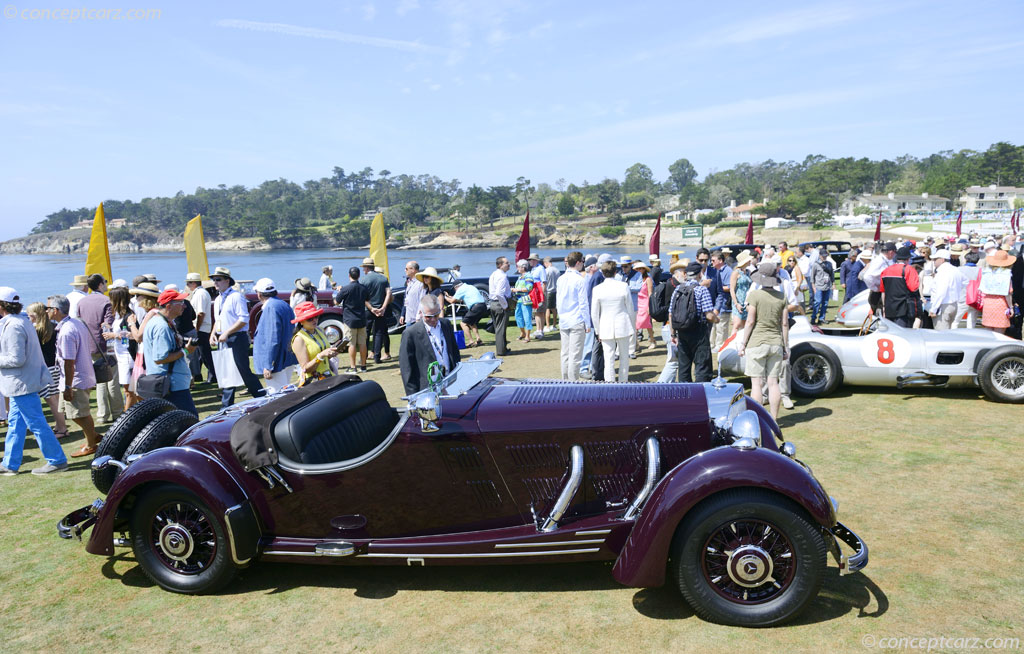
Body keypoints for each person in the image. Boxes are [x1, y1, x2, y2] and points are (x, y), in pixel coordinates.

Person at [0, 288, 69, 476]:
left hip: (22, 383)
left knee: (36, 423)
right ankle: (10, 463)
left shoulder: (14, 325)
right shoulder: (21, 320)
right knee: (16, 423)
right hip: (21, 382)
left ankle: (57, 459)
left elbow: (16, 359)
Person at [47, 294, 102, 457]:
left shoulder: (66, 331)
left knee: (79, 414)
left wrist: (68, 387)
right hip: (83, 375)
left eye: (48, 308)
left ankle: (92, 442)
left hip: (75, 379)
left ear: (55, 310)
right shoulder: (76, 323)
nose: (46, 311)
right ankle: (92, 437)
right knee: (79, 413)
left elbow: (68, 362)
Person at [738, 264, 789, 420]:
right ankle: (774, 419)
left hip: (757, 342)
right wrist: (786, 347)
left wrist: (743, 343)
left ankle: (758, 419)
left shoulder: (755, 295)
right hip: (776, 343)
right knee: (773, 383)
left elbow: (750, 321)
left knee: (756, 384)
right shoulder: (782, 297)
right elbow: (785, 324)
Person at [209, 266, 265, 407]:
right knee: (228, 371)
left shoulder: (236, 296)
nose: (215, 282)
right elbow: (219, 319)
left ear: (227, 281)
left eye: (218, 279)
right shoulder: (218, 299)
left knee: (242, 370)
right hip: (225, 337)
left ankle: (261, 396)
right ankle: (227, 404)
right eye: (214, 280)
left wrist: (227, 333)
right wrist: (213, 334)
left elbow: (243, 319)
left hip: (236, 338)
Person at [75, 273, 123, 423]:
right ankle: (117, 412)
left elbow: (79, 322)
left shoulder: (82, 302)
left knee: (100, 379)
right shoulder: (106, 301)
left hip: (88, 344)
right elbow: (107, 323)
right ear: (101, 285)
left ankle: (103, 413)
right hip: (105, 344)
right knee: (112, 379)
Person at [143, 289, 198, 415]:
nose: (184, 305)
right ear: (168, 306)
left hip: (168, 384)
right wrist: (185, 350)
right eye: (180, 302)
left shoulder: (162, 322)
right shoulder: (162, 326)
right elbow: (160, 358)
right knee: (189, 421)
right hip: (171, 386)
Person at [399, 294, 460, 395]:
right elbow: (406, 369)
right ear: (421, 313)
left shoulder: (446, 325)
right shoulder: (411, 333)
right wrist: (413, 397)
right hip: (427, 390)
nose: (433, 319)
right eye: (428, 317)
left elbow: (454, 352)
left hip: (450, 384)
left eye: (436, 315)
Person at [25, 301, 67, 438]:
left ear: (36, 315)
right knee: (55, 398)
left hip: (44, 368)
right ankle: (60, 425)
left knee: (51, 400)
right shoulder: (53, 327)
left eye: (30, 315)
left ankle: (62, 428)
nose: (28, 318)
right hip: (55, 366)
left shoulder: (36, 331)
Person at [669, 262, 716, 383]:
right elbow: (709, 316)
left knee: (684, 367)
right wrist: (717, 319)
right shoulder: (702, 290)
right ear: (700, 274)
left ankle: (685, 396)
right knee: (702, 366)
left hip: (682, 331)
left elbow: (671, 313)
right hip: (698, 332)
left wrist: (673, 334)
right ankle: (701, 395)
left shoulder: (678, 290)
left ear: (686, 274)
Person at [591, 260, 636, 382]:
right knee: (624, 358)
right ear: (616, 272)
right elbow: (630, 309)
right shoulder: (623, 286)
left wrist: (597, 331)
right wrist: (633, 326)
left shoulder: (597, 289)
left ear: (603, 272)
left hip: (605, 326)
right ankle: (623, 382)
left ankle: (610, 384)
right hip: (623, 325)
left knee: (608, 359)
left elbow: (594, 313)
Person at [252, 278, 298, 392]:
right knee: (284, 391)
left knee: (277, 394)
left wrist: (268, 364)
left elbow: (272, 338)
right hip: (286, 356)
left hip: (277, 360)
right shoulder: (282, 304)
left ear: (259, 294)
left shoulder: (271, 307)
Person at [101, 284, 138, 410]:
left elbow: (135, 335)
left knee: (129, 391)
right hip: (122, 356)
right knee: (128, 391)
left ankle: (126, 418)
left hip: (128, 357)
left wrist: (114, 335)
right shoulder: (120, 316)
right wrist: (110, 328)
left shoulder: (129, 316)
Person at [555, 251, 590, 381]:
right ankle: (573, 382)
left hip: (564, 319)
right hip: (576, 319)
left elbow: (558, 301)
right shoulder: (579, 279)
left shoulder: (561, 278)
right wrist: (588, 323)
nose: (583, 264)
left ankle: (565, 380)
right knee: (575, 355)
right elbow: (583, 303)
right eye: (582, 262)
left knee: (565, 354)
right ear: (577, 263)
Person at [290, 301, 339, 386]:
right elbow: (305, 368)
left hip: (329, 376)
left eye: (316, 316)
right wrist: (321, 356)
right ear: (301, 322)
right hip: (313, 383)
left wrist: (331, 353)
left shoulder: (319, 330)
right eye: (309, 319)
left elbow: (323, 351)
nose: (314, 320)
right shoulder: (299, 339)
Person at [335, 267, 372, 372]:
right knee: (362, 343)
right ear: (359, 276)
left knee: (351, 344)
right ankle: (363, 366)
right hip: (361, 318)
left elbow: (336, 302)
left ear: (349, 275)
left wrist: (339, 290)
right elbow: (367, 299)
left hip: (349, 320)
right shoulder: (363, 288)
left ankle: (353, 367)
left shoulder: (345, 289)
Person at [360, 257, 393, 363]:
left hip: (367, 310)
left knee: (365, 333)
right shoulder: (383, 278)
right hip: (381, 309)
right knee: (379, 333)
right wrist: (383, 307)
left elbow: (363, 297)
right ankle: (377, 357)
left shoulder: (363, 280)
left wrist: (371, 308)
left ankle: (363, 357)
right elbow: (388, 293)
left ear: (366, 268)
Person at [185, 272, 215, 384]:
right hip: (202, 327)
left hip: (201, 327)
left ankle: (213, 375)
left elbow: (200, 313)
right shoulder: (200, 293)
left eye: (188, 283)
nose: (187, 285)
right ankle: (209, 375)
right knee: (202, 353)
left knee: (205, 353)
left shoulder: (200, 294)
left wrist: (197, 328)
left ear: (193, 283)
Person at [880, 246, 920, 328]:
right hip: (904, 309)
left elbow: (883, 292)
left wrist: (884, 307)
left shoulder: (886, 270)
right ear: (908, 259)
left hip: (889, 308)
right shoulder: (909, 269)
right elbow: (914, 288)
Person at [980, 249, 1016, 334]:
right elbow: (1008, 294)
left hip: (988, 302)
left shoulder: (987, 272)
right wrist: (1011, 307)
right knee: (999, 331)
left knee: (988, 331)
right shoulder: (1006, 274)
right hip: (1000, 303)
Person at [445, 280, 487, 347]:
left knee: (463, 323)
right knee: (471, 323)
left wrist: (444, 297)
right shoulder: (469, 286)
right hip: (483, 306)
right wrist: (449, 296)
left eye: (454, 289)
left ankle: (471, 341)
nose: (455, 290)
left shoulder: (460, 289)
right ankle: (478, 339)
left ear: (457, 287)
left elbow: (452, 301)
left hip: (475, 307)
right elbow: (460, 299)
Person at [927, 250, 962, 330]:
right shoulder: (955, 270)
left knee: (941, 335)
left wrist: (934, 309)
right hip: (953, 304)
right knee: (948, 334)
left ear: (942, 260)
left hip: (942, 305)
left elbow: (941, 292)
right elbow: (965, 281)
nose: (934, 261)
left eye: (935, 259)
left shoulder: (943, 272)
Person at [863, 242, 896, 316]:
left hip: (881, 294)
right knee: (879, 317)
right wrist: (875, 288)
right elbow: (867, 276)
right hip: (878, 296)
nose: (895, 255)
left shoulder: (885, 260)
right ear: (891, 252)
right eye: (894, 252)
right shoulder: (879, 261)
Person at [488, 256, 513, 356]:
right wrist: (505, 305)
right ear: (500, 265)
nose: (509, 264)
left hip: (493, 303)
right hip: (499, 304)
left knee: (499, 328)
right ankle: (501, 351)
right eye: (506, 263)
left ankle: (503, 348)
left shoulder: (494, 274)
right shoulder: (502, 276)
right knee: (500, 329)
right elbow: (499, 293)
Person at [708, 252, 733, 349]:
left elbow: (731, 287)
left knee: (721, 327)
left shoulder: (727, 271)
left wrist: (717, 287)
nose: (712, 262)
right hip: (715, 304)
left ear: (721, 261)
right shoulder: (714, 271)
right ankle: (711, 345)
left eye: (713, 260)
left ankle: (720, 346)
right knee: (713, 326)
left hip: (724, 303)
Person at [730, 250, 756, 335]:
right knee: (736, 325)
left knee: (745, 325)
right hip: (738, 300)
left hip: (747, 301)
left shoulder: (748, 272)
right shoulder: (736, 273)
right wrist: (736, 303)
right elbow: (732, 289)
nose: (750, 261)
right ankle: (732, 343)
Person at [632, 260, 657, 349]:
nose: (638, 270)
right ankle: (636, 343)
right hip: (636, 302)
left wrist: (650, 306)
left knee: (647, 323)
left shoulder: (648, 279)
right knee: (635, 324)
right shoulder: (635, 279)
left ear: (644, 269)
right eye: (637, 269)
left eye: (640, 269)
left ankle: (652, 340)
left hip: (645, 302)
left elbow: (650, 293)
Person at [807, 248, 834, 325]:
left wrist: (833, 284)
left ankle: (822, 318)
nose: (824, 257)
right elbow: (812, 277)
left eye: (826, 256)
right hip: (818, 286)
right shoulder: (816, 264)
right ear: (820, 256)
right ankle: (813, 318)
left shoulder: (829, 264)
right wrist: (813, 287)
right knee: (817, 302)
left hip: (827, 286)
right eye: (823, 256)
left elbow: (832, 274)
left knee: (825, 303)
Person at [512, 260, 535, 343]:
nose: (517, 268)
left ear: (523, 267)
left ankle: (528, 336)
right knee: (518, 316)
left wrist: (516, 289)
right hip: (519, 300)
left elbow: (529, 287)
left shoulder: (528, 275)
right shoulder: (520, 276)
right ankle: (523, 333)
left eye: (518, 266)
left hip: (526, 300)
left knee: (527, 317)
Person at [528, 253, 547, 338]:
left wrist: (541, 294)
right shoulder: (533, 269)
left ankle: (541, 330)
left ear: (534, 260)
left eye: (530, 260)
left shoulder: (540, 268)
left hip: (539, 292)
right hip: (534, 292)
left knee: (540, 312)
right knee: (536, 312)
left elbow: (544, 282)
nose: (529, 262)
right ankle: (538, 329)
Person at [402, 261, 426, 326]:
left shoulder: (420, 283)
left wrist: (418, 317)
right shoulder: (409, 283)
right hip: (409, 318)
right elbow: (406, 300)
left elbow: (422, 300)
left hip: (417, 319)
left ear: (413, 270)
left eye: (406, 269)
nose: (405, 270)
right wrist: (403, 314)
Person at [542, 256, 560, 332]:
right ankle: (554, 325)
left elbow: (544, 282)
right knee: (554, 308)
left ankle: (548, 326)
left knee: (547, 309)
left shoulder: (546, 271)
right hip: (555, 291)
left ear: (546, 263)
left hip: (548, 291)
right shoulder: (557, 270)